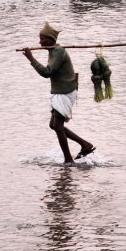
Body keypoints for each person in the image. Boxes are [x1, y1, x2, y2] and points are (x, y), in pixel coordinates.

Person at [23, 22, 95, 165]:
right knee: (54, 125)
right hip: (60, 92)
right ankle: (85, 145)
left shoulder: (58, 51)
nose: (39, 42)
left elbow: (47, 72)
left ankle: (68, 160)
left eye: (42, 39)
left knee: (58, 126)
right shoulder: (53, 51)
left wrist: (31, 59)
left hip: (65, 92)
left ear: (50, 40)